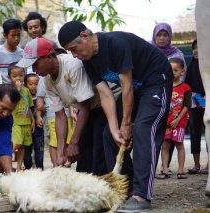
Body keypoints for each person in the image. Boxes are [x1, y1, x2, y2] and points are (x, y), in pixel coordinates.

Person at [58, 21, 173, 212]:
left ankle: (142, 195)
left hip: (155, 81)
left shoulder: (115, 43)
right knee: (108, 136)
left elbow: (126, 86)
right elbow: (105, 94)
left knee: (143, 128)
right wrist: (114, 128)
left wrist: (126, 124)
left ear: (84, 36)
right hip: (136, 90)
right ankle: (125, 189)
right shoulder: (88, 61)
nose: (74, 55)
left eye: (74, 49)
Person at [16, 38, 94, 169]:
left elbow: (86, 105)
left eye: (35, 64)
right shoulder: (46, 79)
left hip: (100, 108)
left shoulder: (72, 66)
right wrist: (60, 152)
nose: (34, 70)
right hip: (86, 112)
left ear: (48, 57)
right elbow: (60, 115)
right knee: (84, 163)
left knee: (100, 156)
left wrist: (74, 142)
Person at [152, 22, 186, 173]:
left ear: (170, 36)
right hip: (152, 94)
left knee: (172, 136)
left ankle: (166, 167)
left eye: (165, 35)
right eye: (159, 35)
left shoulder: (177, 54)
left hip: (173, 97)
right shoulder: (149, 50)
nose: (162, 38)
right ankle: (156, 165)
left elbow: (181, 80)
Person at [157, 58, 191, 180]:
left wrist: (178, 120)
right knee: (165, 145)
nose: (172, 73)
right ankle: (165, 170)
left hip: (179, 123)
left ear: (182, 71)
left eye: (175, 70)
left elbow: (187, 105)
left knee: (179, 145)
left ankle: (181, 171)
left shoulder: (186, 87)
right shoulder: (164, 86)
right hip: (166, 123)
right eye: (170, 70)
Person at [185, 39, 208, 175]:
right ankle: (196, 164)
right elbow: (187, 88)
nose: (196, 50)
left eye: (200, 48)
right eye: (194, 48)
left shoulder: (208, 66)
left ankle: (209, 165)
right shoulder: (190, 67)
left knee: (209, 134)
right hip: (194, 105)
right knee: (194, 133)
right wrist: (187, 106)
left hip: (208, 103)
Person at [8, 63, 35, 171]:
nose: (18, 78)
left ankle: (19, 167)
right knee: (17, 143)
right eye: (15, 76)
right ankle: (5, 161)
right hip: (16, 122)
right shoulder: (9, 90)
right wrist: (17, 90)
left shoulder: (27, 90)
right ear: (9, 77)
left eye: (21, 75)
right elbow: (11, 102)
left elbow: (28, 106)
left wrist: (32, 120)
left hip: (26, 122)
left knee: (23, 146)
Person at [0, 18, 23, 83]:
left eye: (18, 35)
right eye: (13, 35)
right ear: (5, 36)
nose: (16, 38)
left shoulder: (23, 54)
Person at [24, 73, 44, 169]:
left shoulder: (41, 98)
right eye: (30, 84)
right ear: (25, 85)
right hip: (27, 131)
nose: (33, 87)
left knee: (39, 154)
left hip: (39, 131)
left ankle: (40, 170)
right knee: (27, 155)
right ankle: (28, 170)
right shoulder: (23, 98)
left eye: (36, 84)